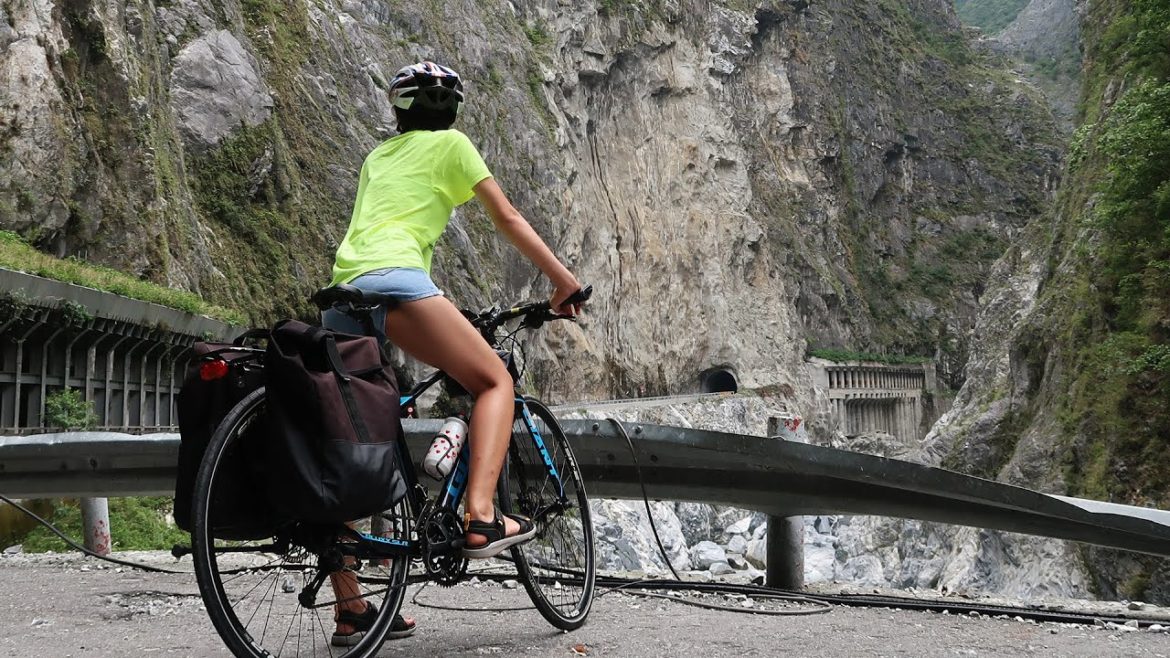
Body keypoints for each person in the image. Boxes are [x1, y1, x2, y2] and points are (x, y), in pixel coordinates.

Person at [321, 61, 585, 647]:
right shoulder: (454, 145)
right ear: (452, 113)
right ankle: (482, 515)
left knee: (350, 440)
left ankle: (353, 609)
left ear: (399, 111)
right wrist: (564, 284)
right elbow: (507, 217)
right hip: (399, 285)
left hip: (342, 295)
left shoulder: (376, 158)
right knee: (494, 383)